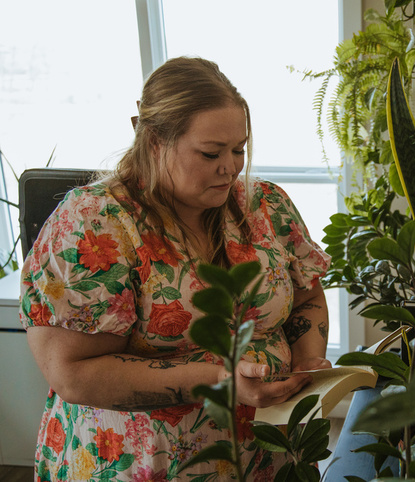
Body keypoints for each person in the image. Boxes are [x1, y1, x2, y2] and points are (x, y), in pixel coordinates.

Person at [19, 56, 332, 481]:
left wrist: (308, 359)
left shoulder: (265, 204)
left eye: (239, 149)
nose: (231, 167)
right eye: (210, 153)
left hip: (265, 453)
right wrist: (218, 379)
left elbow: (308, 296)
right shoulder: (93, 222)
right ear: (153, 140)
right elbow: (71, 373)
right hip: (146, 462)